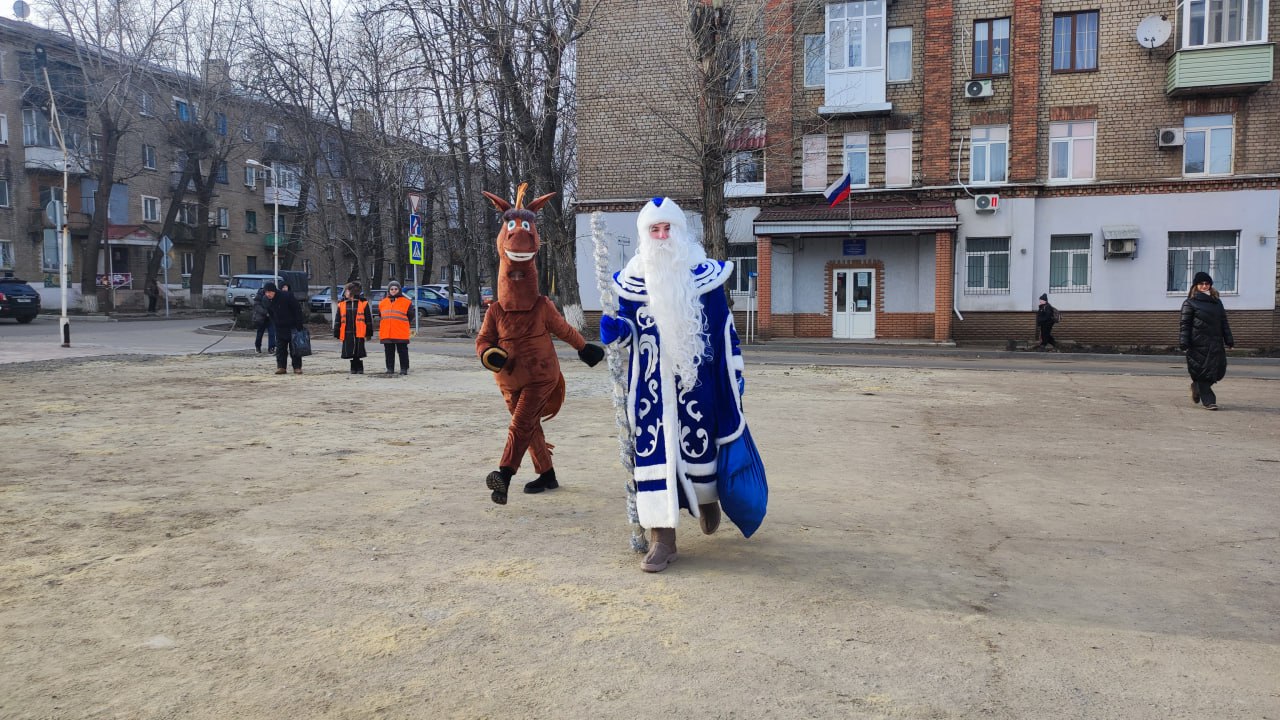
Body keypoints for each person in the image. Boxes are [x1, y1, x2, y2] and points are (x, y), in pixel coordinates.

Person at [599, 197, 749, 573]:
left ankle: (708, 500)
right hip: (650, 389)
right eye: (655, 229)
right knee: (653, 454)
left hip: (697, 381)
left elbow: (724, 331)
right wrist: (616, 331)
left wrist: (734, 378)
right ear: (645, 235)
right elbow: (631, 331)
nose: (663, 236)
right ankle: (661, 539)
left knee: (701, 449)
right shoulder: (631, 282)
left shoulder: (706, 277)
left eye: (668, 229)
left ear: (680, 232)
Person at [476, 183, 604, 504]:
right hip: (507, 378)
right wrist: (490, 356)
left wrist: (584, 348)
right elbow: (484, 341)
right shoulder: (496, 310)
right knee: (529, 426)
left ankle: (503, 475)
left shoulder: (540, 306)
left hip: (540, 375)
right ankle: (547, 474)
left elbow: (562, 328)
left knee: (520, 424)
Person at [1180, 271, 1234, 410]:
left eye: (1207, 283)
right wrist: (1184, 342)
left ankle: (1196, 386)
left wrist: (1229, 340)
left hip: (1215, 342)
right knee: (1203, 372)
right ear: (1195, 286)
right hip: (1197, 343)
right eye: (1201, 284)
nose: (1204, 286)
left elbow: (1223, 322)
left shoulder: (1217, 302)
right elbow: (1185, 324)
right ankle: (1209, 401)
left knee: (1218, 371)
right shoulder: (1190, 303)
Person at [264, 282, 305, 375]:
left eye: (270, 292)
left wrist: (299, 324)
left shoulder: (286, 296)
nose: (268, 294)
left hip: (292, 326)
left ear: (274, 291)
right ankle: (281, 367)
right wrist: (274, 324)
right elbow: (270, 313)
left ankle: (297, 367)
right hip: (279, 327)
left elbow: (297, 309)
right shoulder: (266, 300)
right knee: (280, 348)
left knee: (294, 348)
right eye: (266, 292)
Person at [334, 281, 373, 374]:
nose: (345, 293)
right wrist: (336, 330)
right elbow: (338, 318)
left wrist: (369, 333)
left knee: (358, 349)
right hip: (347, 331)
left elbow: (368, 319)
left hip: (359, 331)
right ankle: (353, 367)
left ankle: (359, 367)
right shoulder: (342, 304)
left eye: (346, 291)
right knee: (350, 349)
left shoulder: (363, 303)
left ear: (352, 292)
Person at [378, 280, 412, 375]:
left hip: (400, 331)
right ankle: (390, 369)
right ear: (388, 290)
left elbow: (411, 316)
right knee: (389, 352)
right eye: (391, 289)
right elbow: (381, 315)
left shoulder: (406, 302)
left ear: (399, 290)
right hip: (387, 332)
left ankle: (404, 369)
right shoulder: (383, 302)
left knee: (402, 352)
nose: (393, 290)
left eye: (395, 289)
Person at [252, 285, 276, 353]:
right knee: (260, 333)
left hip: (270, 317)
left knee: (272, 333)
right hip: (261, 317)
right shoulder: (260, 294)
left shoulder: (273, 294)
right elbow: (257, 306)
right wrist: (265, 312)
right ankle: (258, 347)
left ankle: (271, 347)